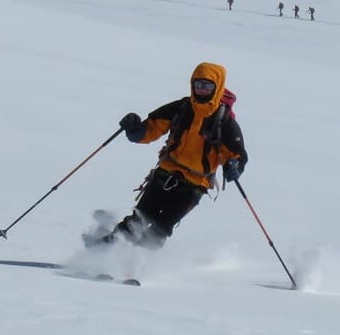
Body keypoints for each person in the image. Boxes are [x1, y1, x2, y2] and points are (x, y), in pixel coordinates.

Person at [86, 62, 248, 249]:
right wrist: (134, 128)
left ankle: (135, 264)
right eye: (198, 84)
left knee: (161, 228)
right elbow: (151, 129)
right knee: (138, 220)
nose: (202, 90)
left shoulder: (224, 121)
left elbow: (237, 154)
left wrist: (234, 166)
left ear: (217, 87)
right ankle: (103, 251)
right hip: (166, 173)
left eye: (208, 86)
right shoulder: (181, 108)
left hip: (196, 185)